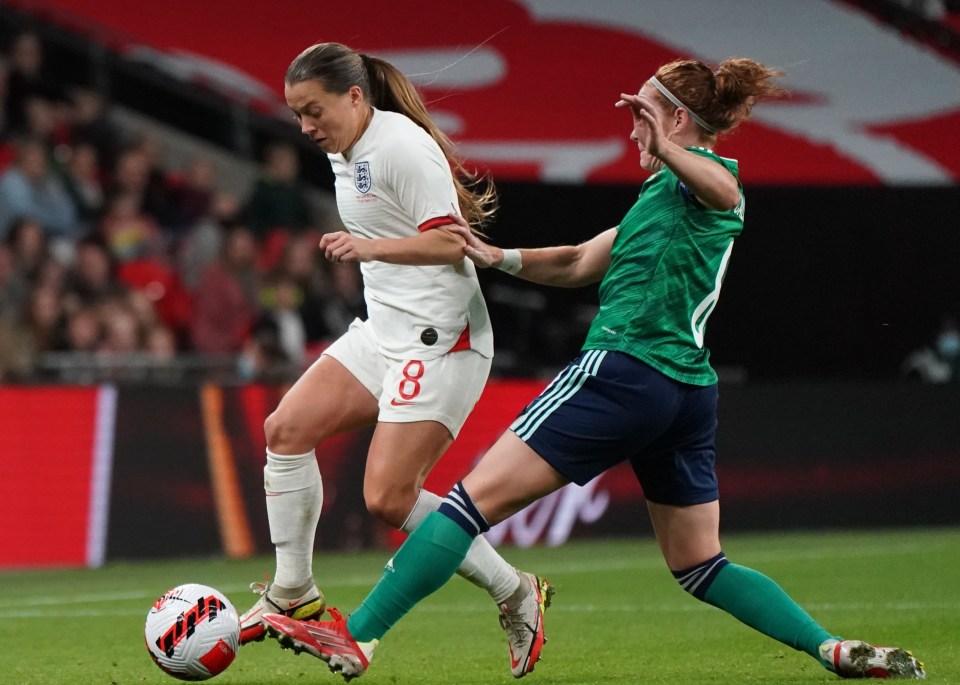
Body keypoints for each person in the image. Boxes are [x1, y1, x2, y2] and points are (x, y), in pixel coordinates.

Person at [258, 58, 928, 681]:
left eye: (644, 119)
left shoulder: (708, 181)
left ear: (674, 120)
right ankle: (830, 647)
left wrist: (670, 147)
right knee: (699, 562)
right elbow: (580, 260)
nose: (633, 132)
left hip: (623, 370)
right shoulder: (659, 198)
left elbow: (723, 187)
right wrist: (499, 259)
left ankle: (361, 633)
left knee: (463, 507)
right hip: (686, 392)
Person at [238, 41, 550, 677]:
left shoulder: (400, 147)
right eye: (297, 113)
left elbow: (451, 244)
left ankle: (516, 590)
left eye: (313, 110)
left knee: (387, 498)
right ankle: (293, 591)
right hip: (384, 331)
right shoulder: (344, 147)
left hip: (443, 340)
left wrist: (368, 246)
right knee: (285, 431)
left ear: (355, 97)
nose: (304, 126)